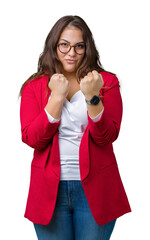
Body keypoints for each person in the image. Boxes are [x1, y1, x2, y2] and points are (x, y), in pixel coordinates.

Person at [20, 15, 131, 240]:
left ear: (87, 48)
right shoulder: (35, 86)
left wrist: (92, 96)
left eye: (79, 46)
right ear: (54, 46)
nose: (71, 52)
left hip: (97, 189)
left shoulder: (105, 82)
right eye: (65, 45)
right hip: (50, 190)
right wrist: (57, 97)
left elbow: (107, 136)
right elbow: (32, 138)